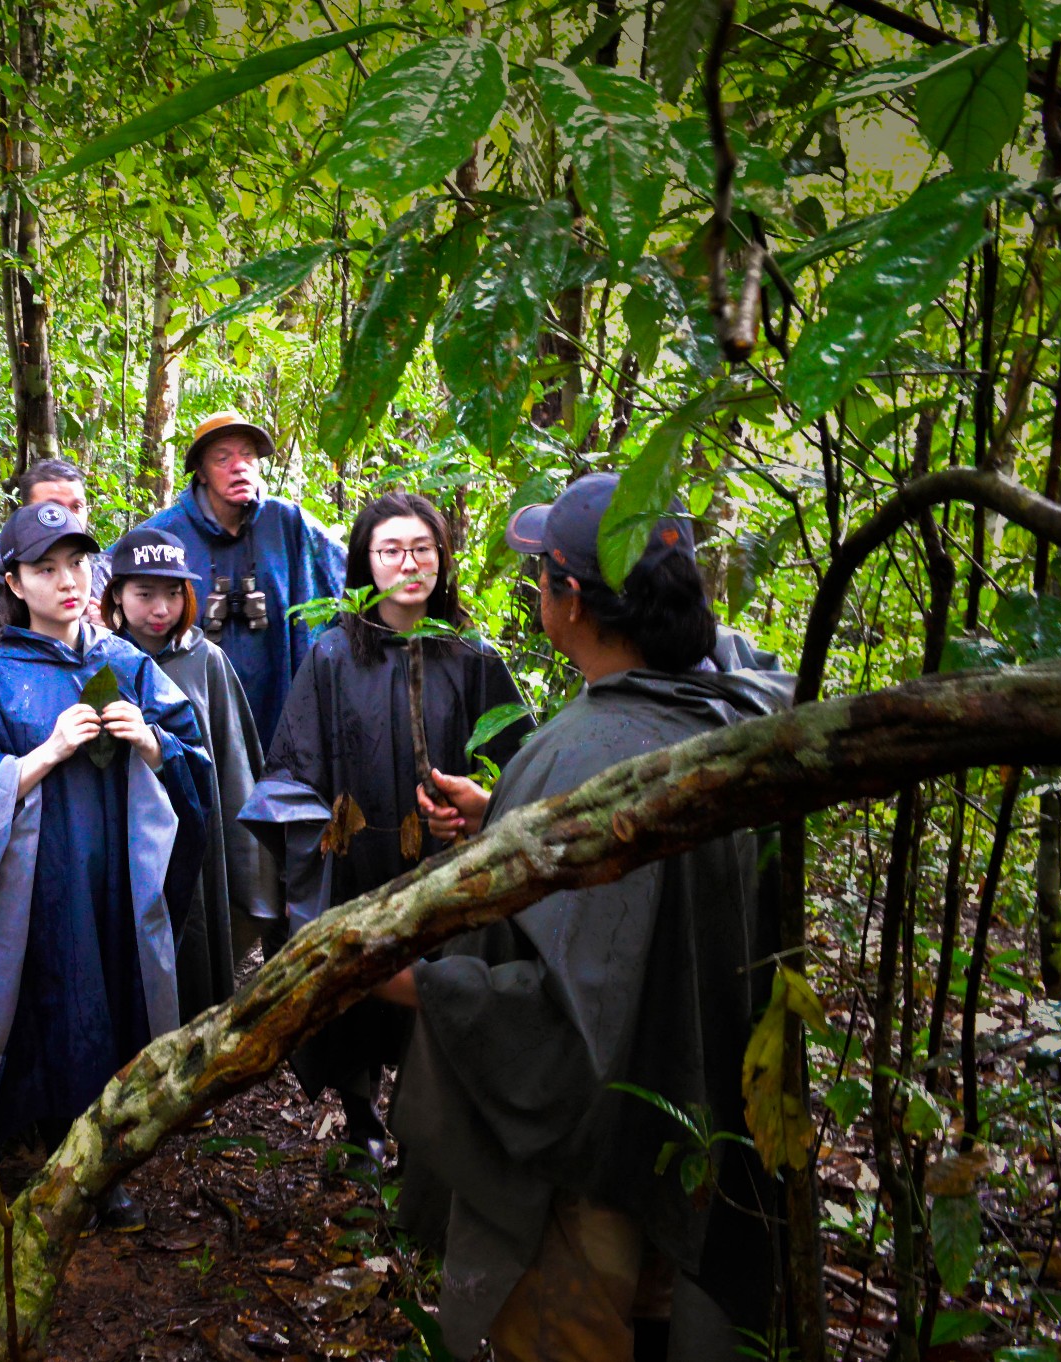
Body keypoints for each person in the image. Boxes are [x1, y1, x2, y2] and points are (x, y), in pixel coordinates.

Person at [374, 473, 791, 1361]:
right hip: (706, 1131)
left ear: (567, 599)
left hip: (591, 1172)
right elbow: (656, 886)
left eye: (540, 576)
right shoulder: (754, 715)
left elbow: (558, 1021)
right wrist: (509, 818)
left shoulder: (580, 754)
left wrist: (411, 984)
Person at [0, 502, 212, 1231]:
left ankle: (109, 1164)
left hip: (118, 879)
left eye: (77, 565)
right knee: (53, 1005)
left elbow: (197, 768)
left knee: (118, 996)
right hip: (41, 888)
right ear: (15, 582)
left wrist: (152, 743)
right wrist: (45, 754)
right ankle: (58, 1155)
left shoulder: (125, 664)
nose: (66, 581)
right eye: (44, 568)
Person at [240, 491, 532, 1169]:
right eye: (392, 550)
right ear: (366, 564)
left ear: (443, 559)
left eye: (423, 548)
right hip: (357, 856)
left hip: (451, 856)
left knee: (448, 975)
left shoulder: (475, 657)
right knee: (360, 978)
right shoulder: (335, 656)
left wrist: (479, 807)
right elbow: (293, 765)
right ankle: (361, 1112)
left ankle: (433, 1117)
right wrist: (316, 833)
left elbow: (522, 763)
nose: (409, 563)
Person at [100, 527, 280, 1017]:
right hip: (120, 840)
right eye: (145, 594)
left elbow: (235, 768)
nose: (160, 609)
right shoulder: (98, 661)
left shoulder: (207, 662)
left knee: (191, 949)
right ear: (116, 595)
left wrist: (252, 868)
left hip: (194, 842)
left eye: (173, 594)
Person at [138, 410, 347, 747]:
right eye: (223, 458)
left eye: (248, 455)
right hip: (198, 715)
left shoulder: (288, 523)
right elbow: (104, 576)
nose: (239, 466)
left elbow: (352, 578)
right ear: (201, 473)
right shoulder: (167, 532)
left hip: (280, 708)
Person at [0, 458, 111, 651]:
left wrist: (111, 629)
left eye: (76, 507)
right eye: (52, 509)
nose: (66, 518)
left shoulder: (103, 569)